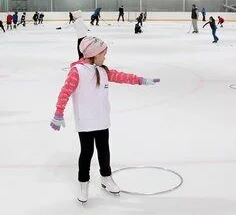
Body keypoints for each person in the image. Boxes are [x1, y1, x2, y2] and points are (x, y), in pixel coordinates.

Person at [49, 36, 160, 203]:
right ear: (93, 54)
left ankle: (106, 178)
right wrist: (59, 113)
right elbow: (65, 92)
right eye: (103, 54)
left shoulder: (103, 70)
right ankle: (83, 182)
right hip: (85, 122)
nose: (105, 57)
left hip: (101, 120)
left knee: (104, 150)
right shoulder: (77, 71)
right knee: (87, 152)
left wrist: (141, 80)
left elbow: (121, 76)